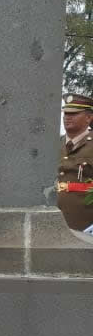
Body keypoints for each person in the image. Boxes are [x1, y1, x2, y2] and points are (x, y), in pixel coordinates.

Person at [57, 93, 93, 233]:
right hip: (52, 221)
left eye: (74, 113)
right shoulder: (53, 144)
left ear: (89, 118)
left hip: (84, 223)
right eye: (66, 113)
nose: (67, 117)